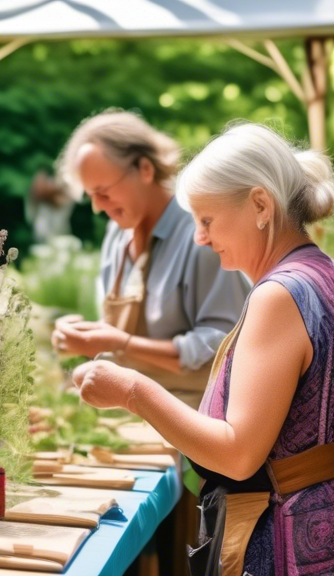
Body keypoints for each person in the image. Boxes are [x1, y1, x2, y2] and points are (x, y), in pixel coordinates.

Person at [72, 123, 334, 576]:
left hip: (288, 545)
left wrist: (133, 390)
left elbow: (237, 453)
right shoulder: (320, 272)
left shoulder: (279, 296)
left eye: (207, 220)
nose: (200, 238)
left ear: (259, 205)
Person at [51, 110, 250, 408]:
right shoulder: (116, 236)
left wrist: (120, 343)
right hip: (134, 417)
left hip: (199, 420)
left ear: (145, 168)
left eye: (103, 192)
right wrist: (81, 336)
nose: (96, 207)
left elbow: (223, 345)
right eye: (90, 195)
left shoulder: (202, 234)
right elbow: (118, 338)